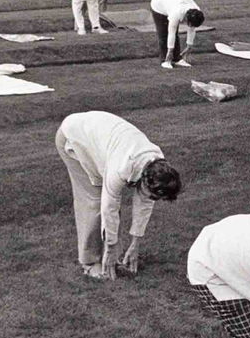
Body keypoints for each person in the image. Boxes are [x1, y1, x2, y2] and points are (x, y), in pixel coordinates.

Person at [55, 110, 182, 279]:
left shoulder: (157, 162)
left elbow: (144, 204)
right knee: (94, 200)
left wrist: (135, 245)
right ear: (144, 181)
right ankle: (90, 262)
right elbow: (109, 208)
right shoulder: (121, 167)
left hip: (101, 137)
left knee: (107, 206)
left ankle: (114, 256)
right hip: (73, 135)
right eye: (153, 196)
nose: (152, 200)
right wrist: (110, 246)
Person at [150, 0, 206, 68]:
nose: (189, 25)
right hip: (158, 4)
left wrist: (189, 46)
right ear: (186, 18)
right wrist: (170, 51)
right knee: (164, 33)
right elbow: (171, 32)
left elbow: (191, 28)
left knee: (175, 35)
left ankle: (177, 59)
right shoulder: (176, 13)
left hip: (173, 1)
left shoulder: (196, 12)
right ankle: (165, 60)